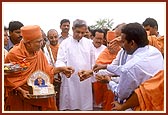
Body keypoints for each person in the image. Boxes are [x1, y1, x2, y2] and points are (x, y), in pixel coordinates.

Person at [4, 25, 74, 111]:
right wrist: (20, 90)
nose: (42, 44)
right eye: (38, 41)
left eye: (42, 40)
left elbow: (47, 71)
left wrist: (62, 69)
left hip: (40, 96)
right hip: (21, 99)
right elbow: (8, 78)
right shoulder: (14, 54)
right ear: (28, 43)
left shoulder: (39, 52)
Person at [93, 23, 164, 106]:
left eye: (122, 41)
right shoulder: (154, 51)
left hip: (139, 105)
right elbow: (123, 69)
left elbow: (121, 94)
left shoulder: (131, 67)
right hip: (157, 103)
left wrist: (109, 81)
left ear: (132, 43)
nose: (120, 44)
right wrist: (106, 66)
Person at [55, 19, 96, 111]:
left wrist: (90, 72)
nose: (80, 35)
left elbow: (94, 63)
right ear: (73, 29)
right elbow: (60, 60)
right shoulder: (65, 43)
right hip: (70, 80)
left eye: (83, 32)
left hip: (85, 81)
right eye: (78, 32)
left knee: (85, 107)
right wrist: (64, 69)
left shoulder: (89, 43)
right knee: (69, 106)